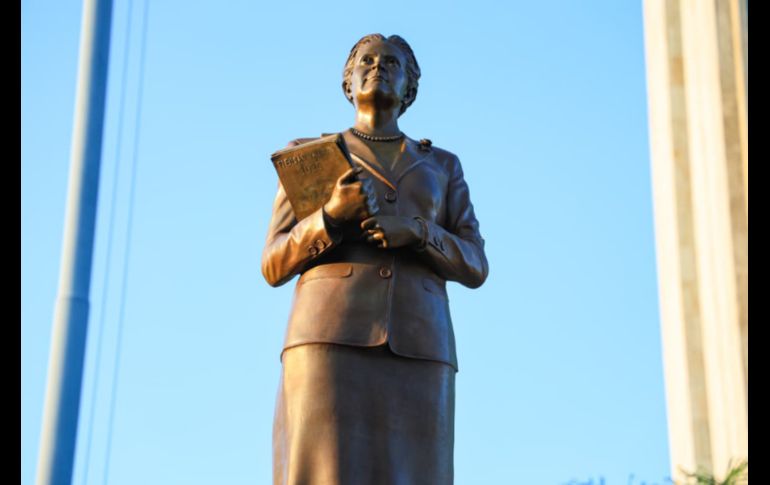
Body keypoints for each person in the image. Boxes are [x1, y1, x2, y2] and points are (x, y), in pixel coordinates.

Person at [262, 33, 489, 485]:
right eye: (366, 60)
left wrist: (419, 232)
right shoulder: (310, 157)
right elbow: (273, 263)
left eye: (392, 62)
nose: (377, 66)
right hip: (328, 337)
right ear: (348, 82)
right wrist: (329, 218)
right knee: (325, 470)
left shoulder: (442, 166)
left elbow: (475, 263)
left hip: (420, 343)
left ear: (409, 88)